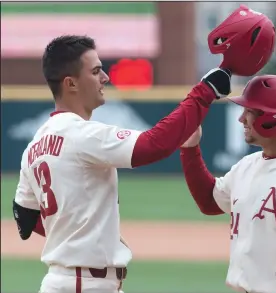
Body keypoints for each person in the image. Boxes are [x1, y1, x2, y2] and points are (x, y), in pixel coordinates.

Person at [12, 35, 234, 293]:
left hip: (65, 281)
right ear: (71, 83)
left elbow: (24, 217)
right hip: (86, 285)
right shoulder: (83, 135)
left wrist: (73, 236)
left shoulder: (34, 145)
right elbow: (154, 145)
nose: (105, 77)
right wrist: (204, 92)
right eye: (96, 71)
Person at [179, 74, 276, 293]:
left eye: (250, 112)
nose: (241, 118)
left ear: (273, 117)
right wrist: (190, 148)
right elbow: (210, 202)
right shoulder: (247, 165)